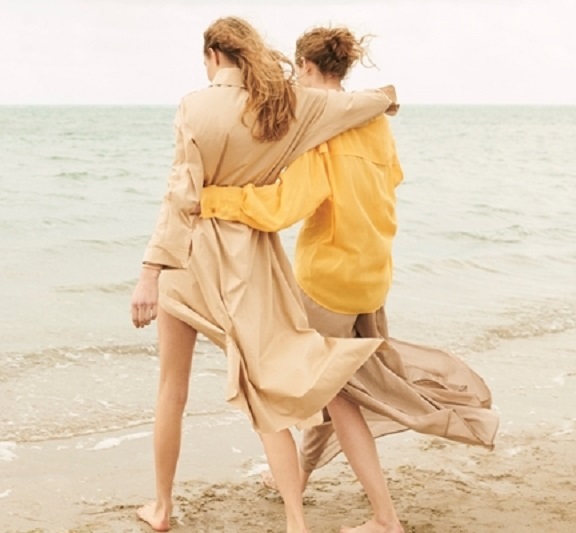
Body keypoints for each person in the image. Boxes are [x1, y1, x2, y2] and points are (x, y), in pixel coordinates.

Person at [199, 26, 499, 533]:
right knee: (330, 386)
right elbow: (393, 178)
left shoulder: (322, 131)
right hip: (372, 276)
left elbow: (283, 207)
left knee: (337, 394)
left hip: (328, 282)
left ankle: (385, 517)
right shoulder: (375, 122)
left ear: (307, 67)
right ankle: (300, 477)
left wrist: (211, 199)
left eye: (298, 73)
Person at [129, 17, 398, 533]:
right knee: (264, 390)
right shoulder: (285, 105)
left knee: (171, 389)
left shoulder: (194, 105)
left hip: (190, 259)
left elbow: (180, 196)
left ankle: (161, 507)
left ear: (213, 56)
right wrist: (387, 99)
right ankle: (296, 521)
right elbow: (364, 104)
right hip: (251, 264)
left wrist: (149, 271)